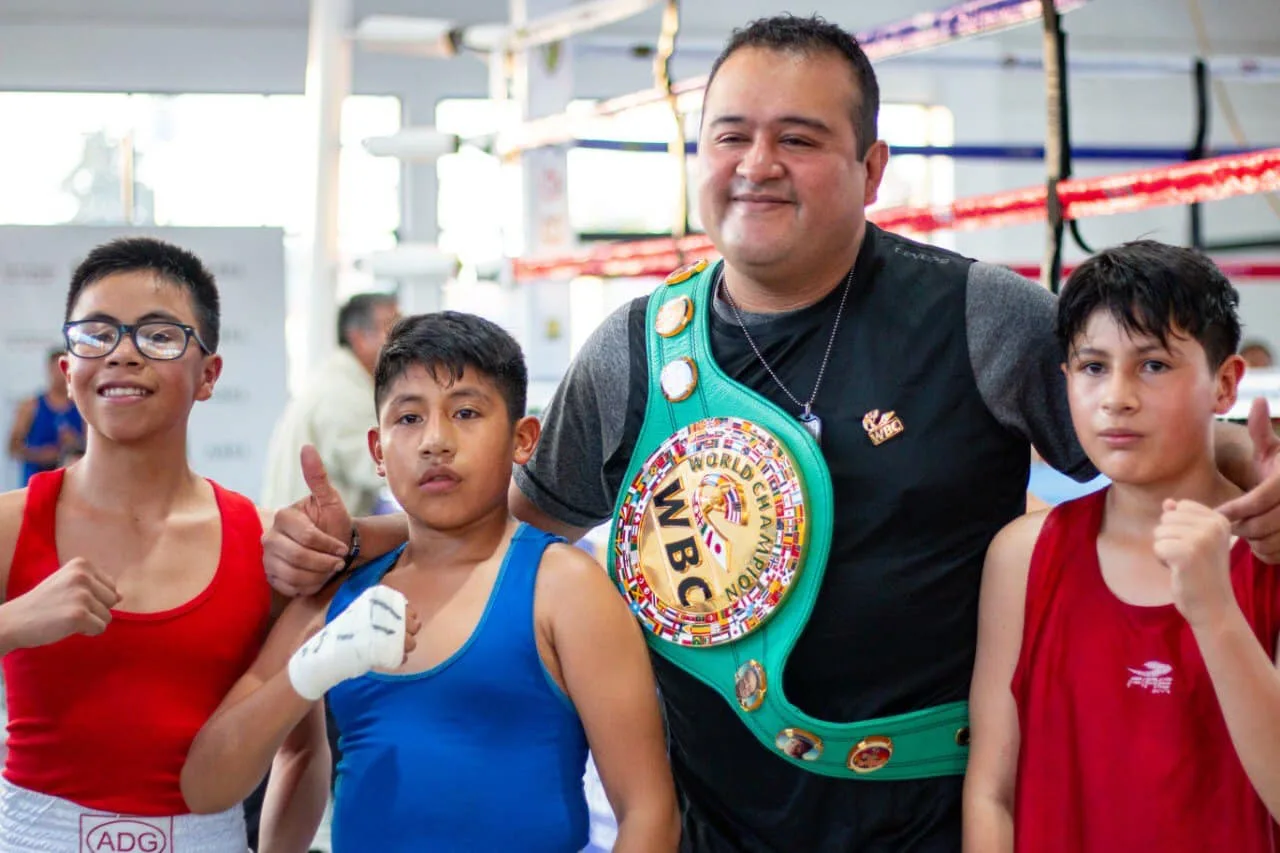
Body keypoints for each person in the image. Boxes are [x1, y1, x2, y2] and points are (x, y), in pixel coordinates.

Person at [259, 15, 1280, 852]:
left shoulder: (980, 315)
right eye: (730, 135)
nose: (757, 164)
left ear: (870, 164)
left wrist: (1256, 475)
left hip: (930, 813)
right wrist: (353, 539)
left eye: (797, 138)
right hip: (708, 814)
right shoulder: (633, 347)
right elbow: (505, 527)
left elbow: (1143, 448)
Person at [183, 312, 679, 852]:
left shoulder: (564, 589)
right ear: (377, 450)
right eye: (409, 418)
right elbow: (207, 785)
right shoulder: (336, 597)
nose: (435, 441)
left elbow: (648, 811)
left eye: (466, 412)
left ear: (524, 439)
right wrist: (309, 669)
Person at [0, 236, 329, 851]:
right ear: (69, 368)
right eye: (97, 334)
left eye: (157, 336)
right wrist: (13, 621)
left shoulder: (262, 544)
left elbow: (302, 748)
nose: (123, 355)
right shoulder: (11, 525)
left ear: (208, 375)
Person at [964, 241, 1280, 852]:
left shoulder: (1270, 555)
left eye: (1154, 365)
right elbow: (991, 793)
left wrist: (1216, 612)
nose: (1117, 397)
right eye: (1093, 367)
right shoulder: (1024, 558)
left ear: (1224, 384)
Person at [262, 292, 400, 518]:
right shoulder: (343, 393)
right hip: (312, 539)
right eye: (393, 329)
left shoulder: (345, 380)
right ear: (359, 338)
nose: (405, 340)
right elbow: (380, 469)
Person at [7, 347, 84, 485]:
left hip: (71, 486)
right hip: (35, 485)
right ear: (49, 369)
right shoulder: (31, 406)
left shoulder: (82, 407)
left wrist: (75, 445)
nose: (61, 374)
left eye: (65, 368)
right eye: (57, 369)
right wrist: (40, 455)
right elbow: (12, 448)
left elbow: (95, 448)